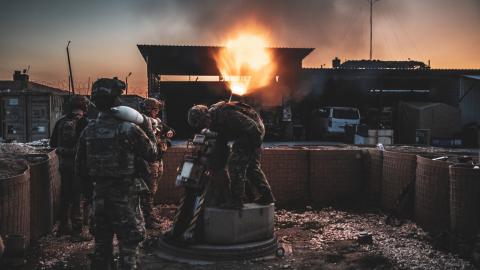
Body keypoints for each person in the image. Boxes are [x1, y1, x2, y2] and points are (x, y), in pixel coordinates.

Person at [75, 77, 157, 270]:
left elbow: (80, 168)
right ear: (115, 100)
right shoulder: (129, 129)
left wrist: (91, 195)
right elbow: (152, 153)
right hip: (124, 198)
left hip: (99, 198)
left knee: (101, 248)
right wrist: (148, 126)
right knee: (128, 248)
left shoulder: (89, 130)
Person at [187, 101, 275, 209]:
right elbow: (221, 143)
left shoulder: (224, 114)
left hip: (253, 130)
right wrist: (215, 162)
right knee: (251, 166)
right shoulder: (213, 123)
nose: (205, 125)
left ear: (206, 115)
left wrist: (253, 149)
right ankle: (267, 195)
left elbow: (252, 127)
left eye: (204, 121)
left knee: (235, 163)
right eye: (202, 125)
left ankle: (237, 200)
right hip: (245, 133)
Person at [50, 95, 89, 239]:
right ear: (84, 107)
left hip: (64, 164)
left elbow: (52, 143)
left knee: (65, 195)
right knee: (77, 196)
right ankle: (77, 231)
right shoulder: (84, 122)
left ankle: (63, 227)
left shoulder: (61, 121)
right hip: (79, 165)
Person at [139, 98, 174, 229]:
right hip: (149, 161)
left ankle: (150, 216)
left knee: (153, 189)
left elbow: (168, 129)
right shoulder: (142, 122)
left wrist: (169, 132)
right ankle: (147, 218)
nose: (157, 112)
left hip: (158, 159)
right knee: (148, 191)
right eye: (155, 110)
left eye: (157, 110)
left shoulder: (157, 121)